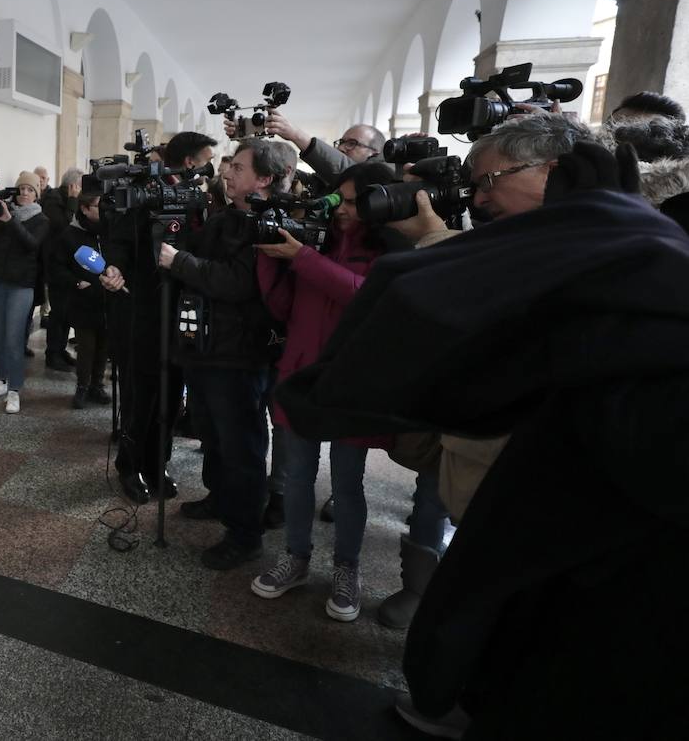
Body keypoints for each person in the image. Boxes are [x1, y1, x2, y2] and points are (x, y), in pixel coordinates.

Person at [276, 140, 688, 740]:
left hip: (606, 575)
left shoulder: (632, 289)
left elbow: (428, 315)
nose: (477, 196)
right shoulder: (610, 262)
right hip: (522, 508)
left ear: (549, 172)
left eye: (489, 178)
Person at [248, 161, 398, 620]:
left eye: (353, 202)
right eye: (340, 199)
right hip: (301, 373)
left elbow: (362, 293)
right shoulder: (317, 241)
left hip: (350, 381)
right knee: (296, 476)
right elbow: (282, 304)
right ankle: (295, 557)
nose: (342, 210)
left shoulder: (390, 249)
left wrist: (302, 259)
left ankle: (347, 569)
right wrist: (269, 256)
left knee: (348, 483)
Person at [157, 138, 289, 569]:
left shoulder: (268, 224)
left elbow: (237, 282)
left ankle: (245, 534)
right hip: (208, 345)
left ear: (264, 179)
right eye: (228, 163)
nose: (227, 171)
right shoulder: (229, 214)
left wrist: (179, 262)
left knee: (241, 444)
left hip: (239, 352)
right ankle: (219, 496)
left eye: (238, 166)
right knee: (211, 433)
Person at [98, 131, 216, 504]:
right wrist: (114, 267)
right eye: (207, 159)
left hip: (182, 306)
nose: (212, 166)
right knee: (141, 394)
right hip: (144, 308)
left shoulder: (198, 197)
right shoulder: (147, 192)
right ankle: (129, 465)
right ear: (190, 162)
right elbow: (117, 240)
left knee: (170, 393)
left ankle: (157, 462)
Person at [0, 171, 49, 414]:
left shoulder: (42, 220)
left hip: (22, 285)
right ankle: (1, 380)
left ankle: (15, 391)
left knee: (14, 340)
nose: (24, 194)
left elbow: (31, 244)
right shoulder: (2, 213)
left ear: (37, 194)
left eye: (30, 190)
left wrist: (10, 220)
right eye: (21, 190)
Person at [50, 191, 109, 408]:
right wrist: (76, 282)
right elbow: (57, 267)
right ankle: (82, 386)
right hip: (83, 300)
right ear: (84, 209)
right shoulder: (70, 235)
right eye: (97, 207)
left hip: (106, 298)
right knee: (87, 347)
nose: (103, 212)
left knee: (104, 345)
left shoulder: (108, 232)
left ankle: (97, 385)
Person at [244, 111, 386, 189]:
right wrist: (246, 137)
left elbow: (349, 173)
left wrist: (296, 135)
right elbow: (289, 172)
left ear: (374, 153)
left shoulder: (379, 182)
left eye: (352, 143)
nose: (341, 148)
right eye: (341, 142)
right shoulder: (323, 181)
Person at [41, 168, 83, 371]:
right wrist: (74, 201)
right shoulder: (53, 200)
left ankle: (61, 349)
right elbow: (63, 226)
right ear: (72, 186)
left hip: (68, 262)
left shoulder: (65, 198)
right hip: (54, 263)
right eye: (80, 186)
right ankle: (52, 354)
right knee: (58, 313)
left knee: (67, 311)